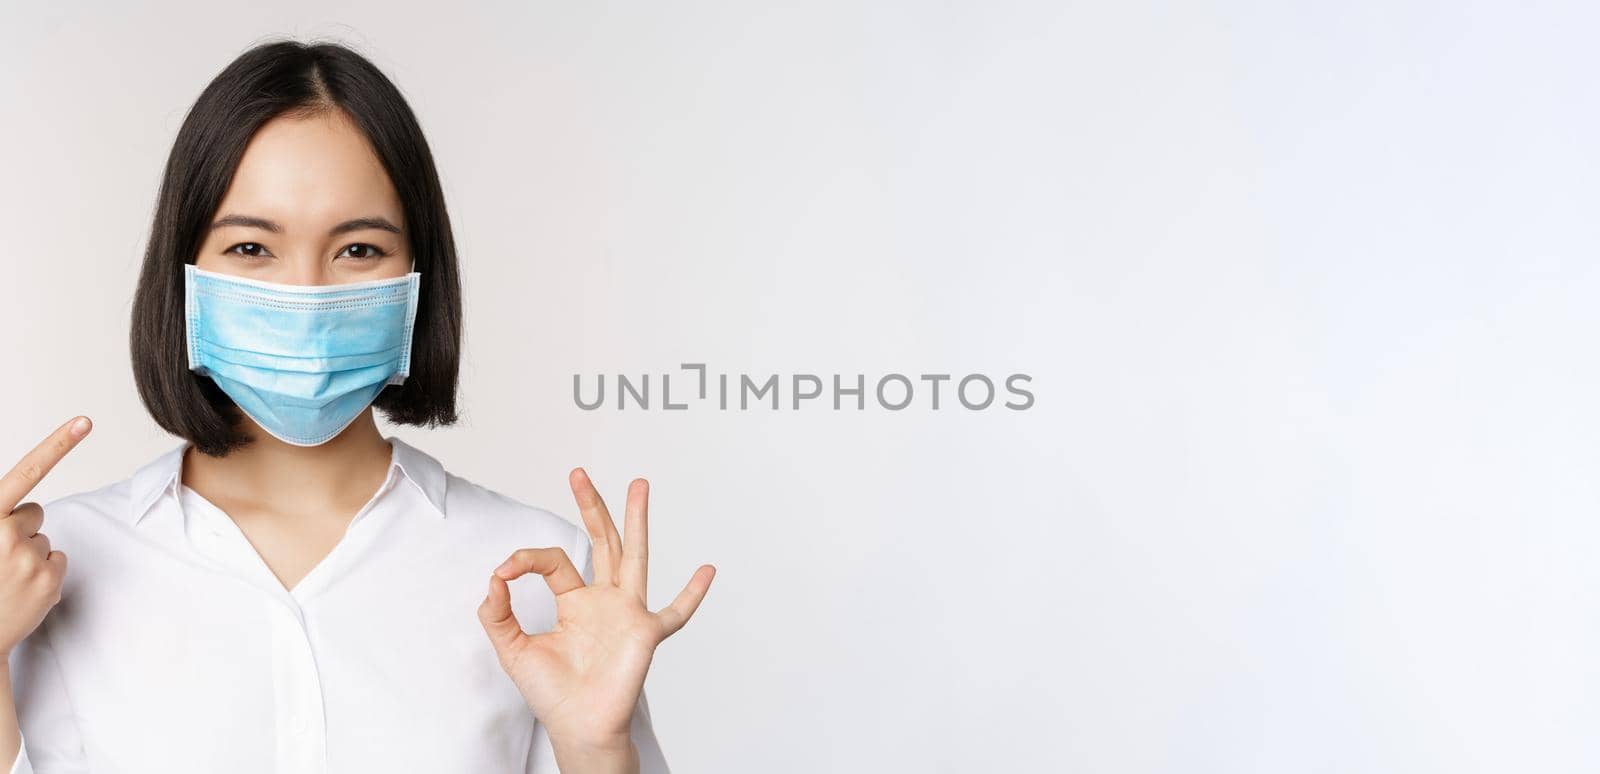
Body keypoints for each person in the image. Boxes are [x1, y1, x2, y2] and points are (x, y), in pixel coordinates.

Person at [0, 38, 713, 774]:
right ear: (184, 275)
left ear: (417, 277)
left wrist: (596, 749)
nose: (307, 294)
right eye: (251, 249)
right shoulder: (43, 570)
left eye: (358, 250)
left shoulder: (536, 575)